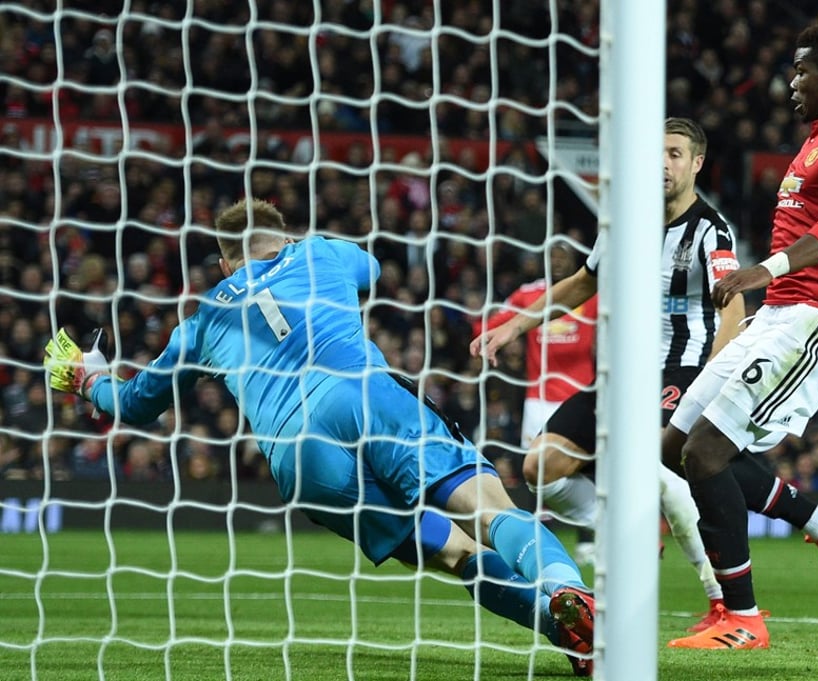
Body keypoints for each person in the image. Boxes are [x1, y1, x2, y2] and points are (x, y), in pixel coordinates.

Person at [44, 199, 597, 677]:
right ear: (284, 236)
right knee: (486, 508)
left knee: (450, 551)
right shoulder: (318, 253)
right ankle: (565, 589)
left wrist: (89, 379)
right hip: (368, 400)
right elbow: (372, 268)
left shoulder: (203, 319)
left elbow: (138, 404)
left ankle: (563, 631)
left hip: (303, 461)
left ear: (222, 263)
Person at [472, 117, 749, 633]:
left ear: (696, 164)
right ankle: (626, 529)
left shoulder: (712, 230)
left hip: (683, 371)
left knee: (664, 477)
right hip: (619, 377)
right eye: (656, 153)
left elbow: (732, 307)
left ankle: (721, 600)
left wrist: (716, 374)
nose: (663, 164)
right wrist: (511, 328)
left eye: (674, 154)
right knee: (539, 467)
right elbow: (581, 284)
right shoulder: (622, 222)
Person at [662, 21, 818, 649]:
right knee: (672, 446)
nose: (792, 83)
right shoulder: (815, 141)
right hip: (779, 314)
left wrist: (765, 270)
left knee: (706, 453)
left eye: (801, 72)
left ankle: (744, 618)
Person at [474, 241, 599, 563]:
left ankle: (588, 539)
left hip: (579, 395)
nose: (557, 262)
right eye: (552, 256)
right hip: (538, 398)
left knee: (582, 469)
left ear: (574, 260)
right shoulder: (529, 295)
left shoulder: (591, 294)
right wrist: (492, 336)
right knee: (537, 476)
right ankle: (545, 541)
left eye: (563, 257)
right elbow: (489, 323)